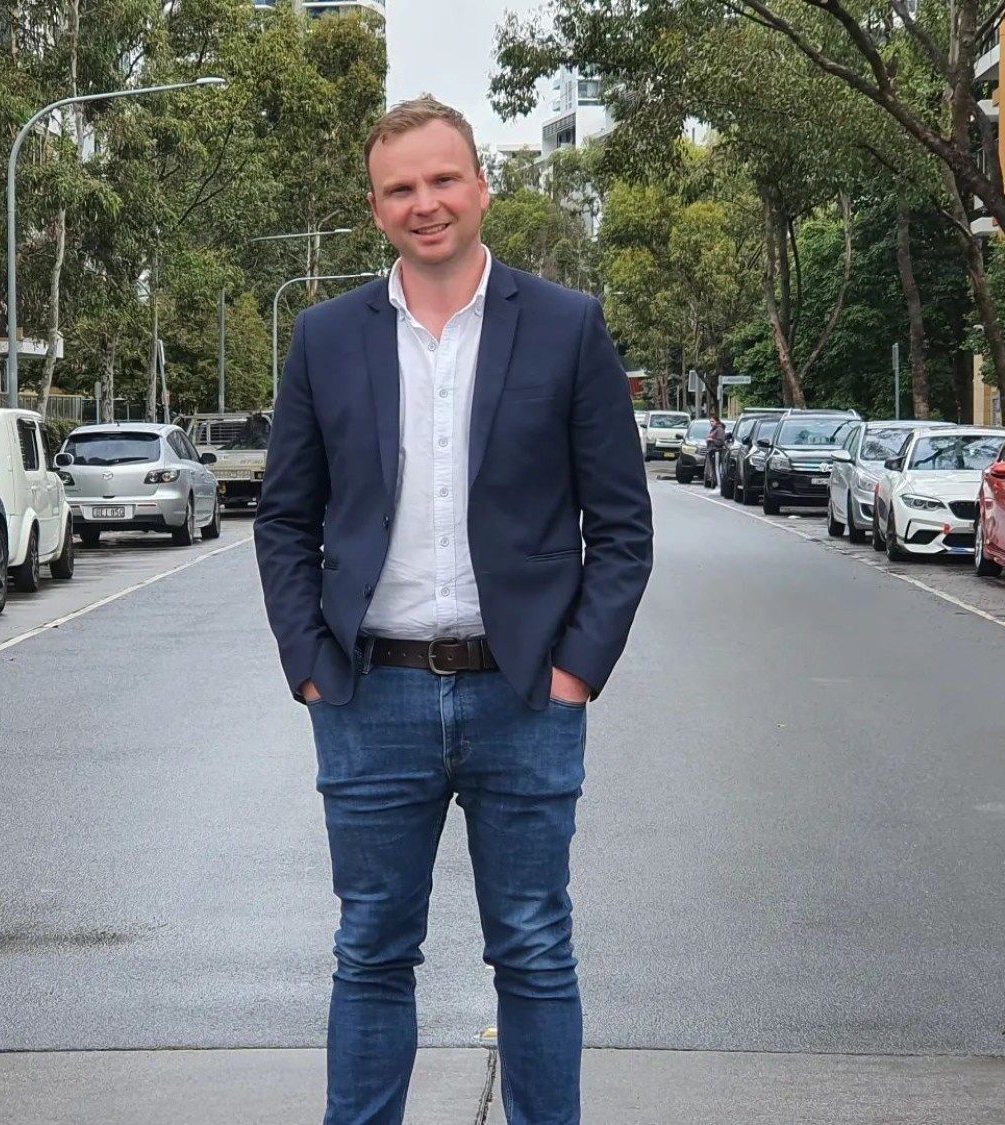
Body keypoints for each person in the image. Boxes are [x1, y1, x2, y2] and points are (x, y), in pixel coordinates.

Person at [255, 95, 653, 1125]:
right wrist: (311, 666)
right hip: (369, 695)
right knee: (370, 951)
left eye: (442, 180)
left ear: (481, 186)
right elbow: (284, 517)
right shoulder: (325, 337)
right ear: (376, 208)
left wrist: (574, 675)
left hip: (525, 697)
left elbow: (621, 526)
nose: (424, 203)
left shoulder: (566, 326)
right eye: (400, 189)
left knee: (534, 947)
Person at [704, 411, 727, 488]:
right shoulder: (713, 429)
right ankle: (716, 483)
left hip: (716, 451)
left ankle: (719, 485)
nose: (711, 423)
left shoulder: (719, 429)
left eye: (713, 421)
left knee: (717, 468)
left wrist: (712, 440)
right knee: (713, 469)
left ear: (717, 421)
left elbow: (721, 441)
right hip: (712, 451)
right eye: (710, 421)